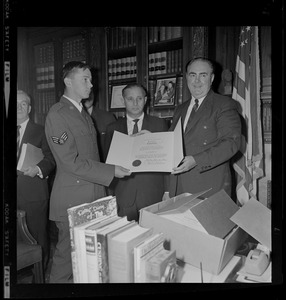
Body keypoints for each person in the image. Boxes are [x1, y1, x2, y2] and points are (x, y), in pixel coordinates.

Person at [44, 61, 131, 283]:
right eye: (85, 79)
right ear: (68, 81)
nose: (91, 84)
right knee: (65, 263)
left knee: (88, 262)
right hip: (73, 200)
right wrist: (111, 170)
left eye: (90, 79)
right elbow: (70, 162)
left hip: (93, 197)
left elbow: (91, 157)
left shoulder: (81, 112)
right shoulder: (58, 113)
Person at [168, 57, 241, 199]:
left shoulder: (224, 104)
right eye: (192, 75)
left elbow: (231, 143)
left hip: (209, 187)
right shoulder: (180, 109)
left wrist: (197, 160)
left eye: (203, 75)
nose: (197, 81)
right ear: (186, 77)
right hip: (178, 187)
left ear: (212, 78)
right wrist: (149, 139)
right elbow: (172, 145)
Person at [104, 83, 169, 222]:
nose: (135, 103)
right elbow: (108, 164)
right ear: (123, 100)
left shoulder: (159, 124)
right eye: (130, 99)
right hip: (123, 194)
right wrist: (110, 195)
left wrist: (167, 191)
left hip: (152, 193)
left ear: (146, 100)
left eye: (139, 99)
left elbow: (167, 161)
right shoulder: (112, 129)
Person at [17, 90, 56, 270]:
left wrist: (38, 168)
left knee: (38, 235)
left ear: (30, 108)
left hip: (33, 191)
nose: (18, 107)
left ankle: (39, 276)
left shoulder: (41, 131)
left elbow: (51, 159)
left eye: (23, 103)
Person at [82, 91, 116, 162]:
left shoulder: (108, 118)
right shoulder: (69, 117)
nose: (89, 96)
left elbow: (115, 148)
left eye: (91, 92)